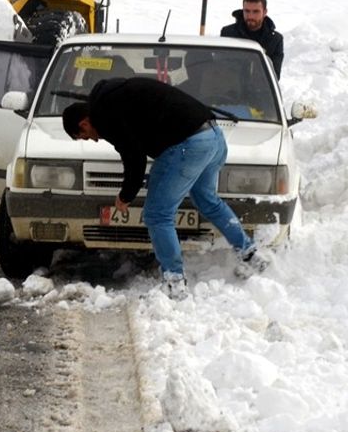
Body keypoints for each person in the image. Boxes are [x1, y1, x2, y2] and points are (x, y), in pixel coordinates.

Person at [62, 77, 261, 299]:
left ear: (84, 124)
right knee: (207, 200)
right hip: (214, 137)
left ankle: (174, 281)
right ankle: (250, 253)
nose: (95, 141)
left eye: (86, 137)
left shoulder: (105, 115)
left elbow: (134, 156)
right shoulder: (114, 97)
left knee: (157, 214)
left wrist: (126, 195)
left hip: (188, 145)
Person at [220, 0, 284, 78]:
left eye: (256, 11)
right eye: (247, 11)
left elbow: (274, 76)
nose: (250, 16)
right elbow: (221, 66)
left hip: (259, 89)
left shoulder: (275, 39)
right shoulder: (228, 33)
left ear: (264, 12)